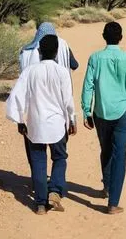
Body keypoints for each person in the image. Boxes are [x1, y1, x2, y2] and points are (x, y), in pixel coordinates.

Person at [81, 22, 126, 215]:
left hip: (100, 112)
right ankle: (113, 202)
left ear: (104, 36)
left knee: (106, 150)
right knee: (120, 154)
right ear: (120, 37)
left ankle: (108, 186)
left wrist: (86, 111)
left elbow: (88, 86)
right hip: (122, 111)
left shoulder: (95, 58)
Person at [6, 35, 77, 215]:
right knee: (59, 158)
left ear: (39, 52)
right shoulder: (62, 72)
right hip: (57, 124)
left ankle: (39, 204)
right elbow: (68, 100)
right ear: (56, 53)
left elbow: (16, 97)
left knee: (38, 162)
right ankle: (55, 190)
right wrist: (72, 119)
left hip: (35, 125)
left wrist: (20, 121)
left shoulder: (29, 72)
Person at [18, 22, 79, 170]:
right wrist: (72, 117)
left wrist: (19, 119)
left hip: (33, 107)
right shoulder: (62, 45)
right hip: (57, 107)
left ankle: (39, 179)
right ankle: (55, 185)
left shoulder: (25, 51)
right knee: (59, 151)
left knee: (36, 150)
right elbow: (74, 65)